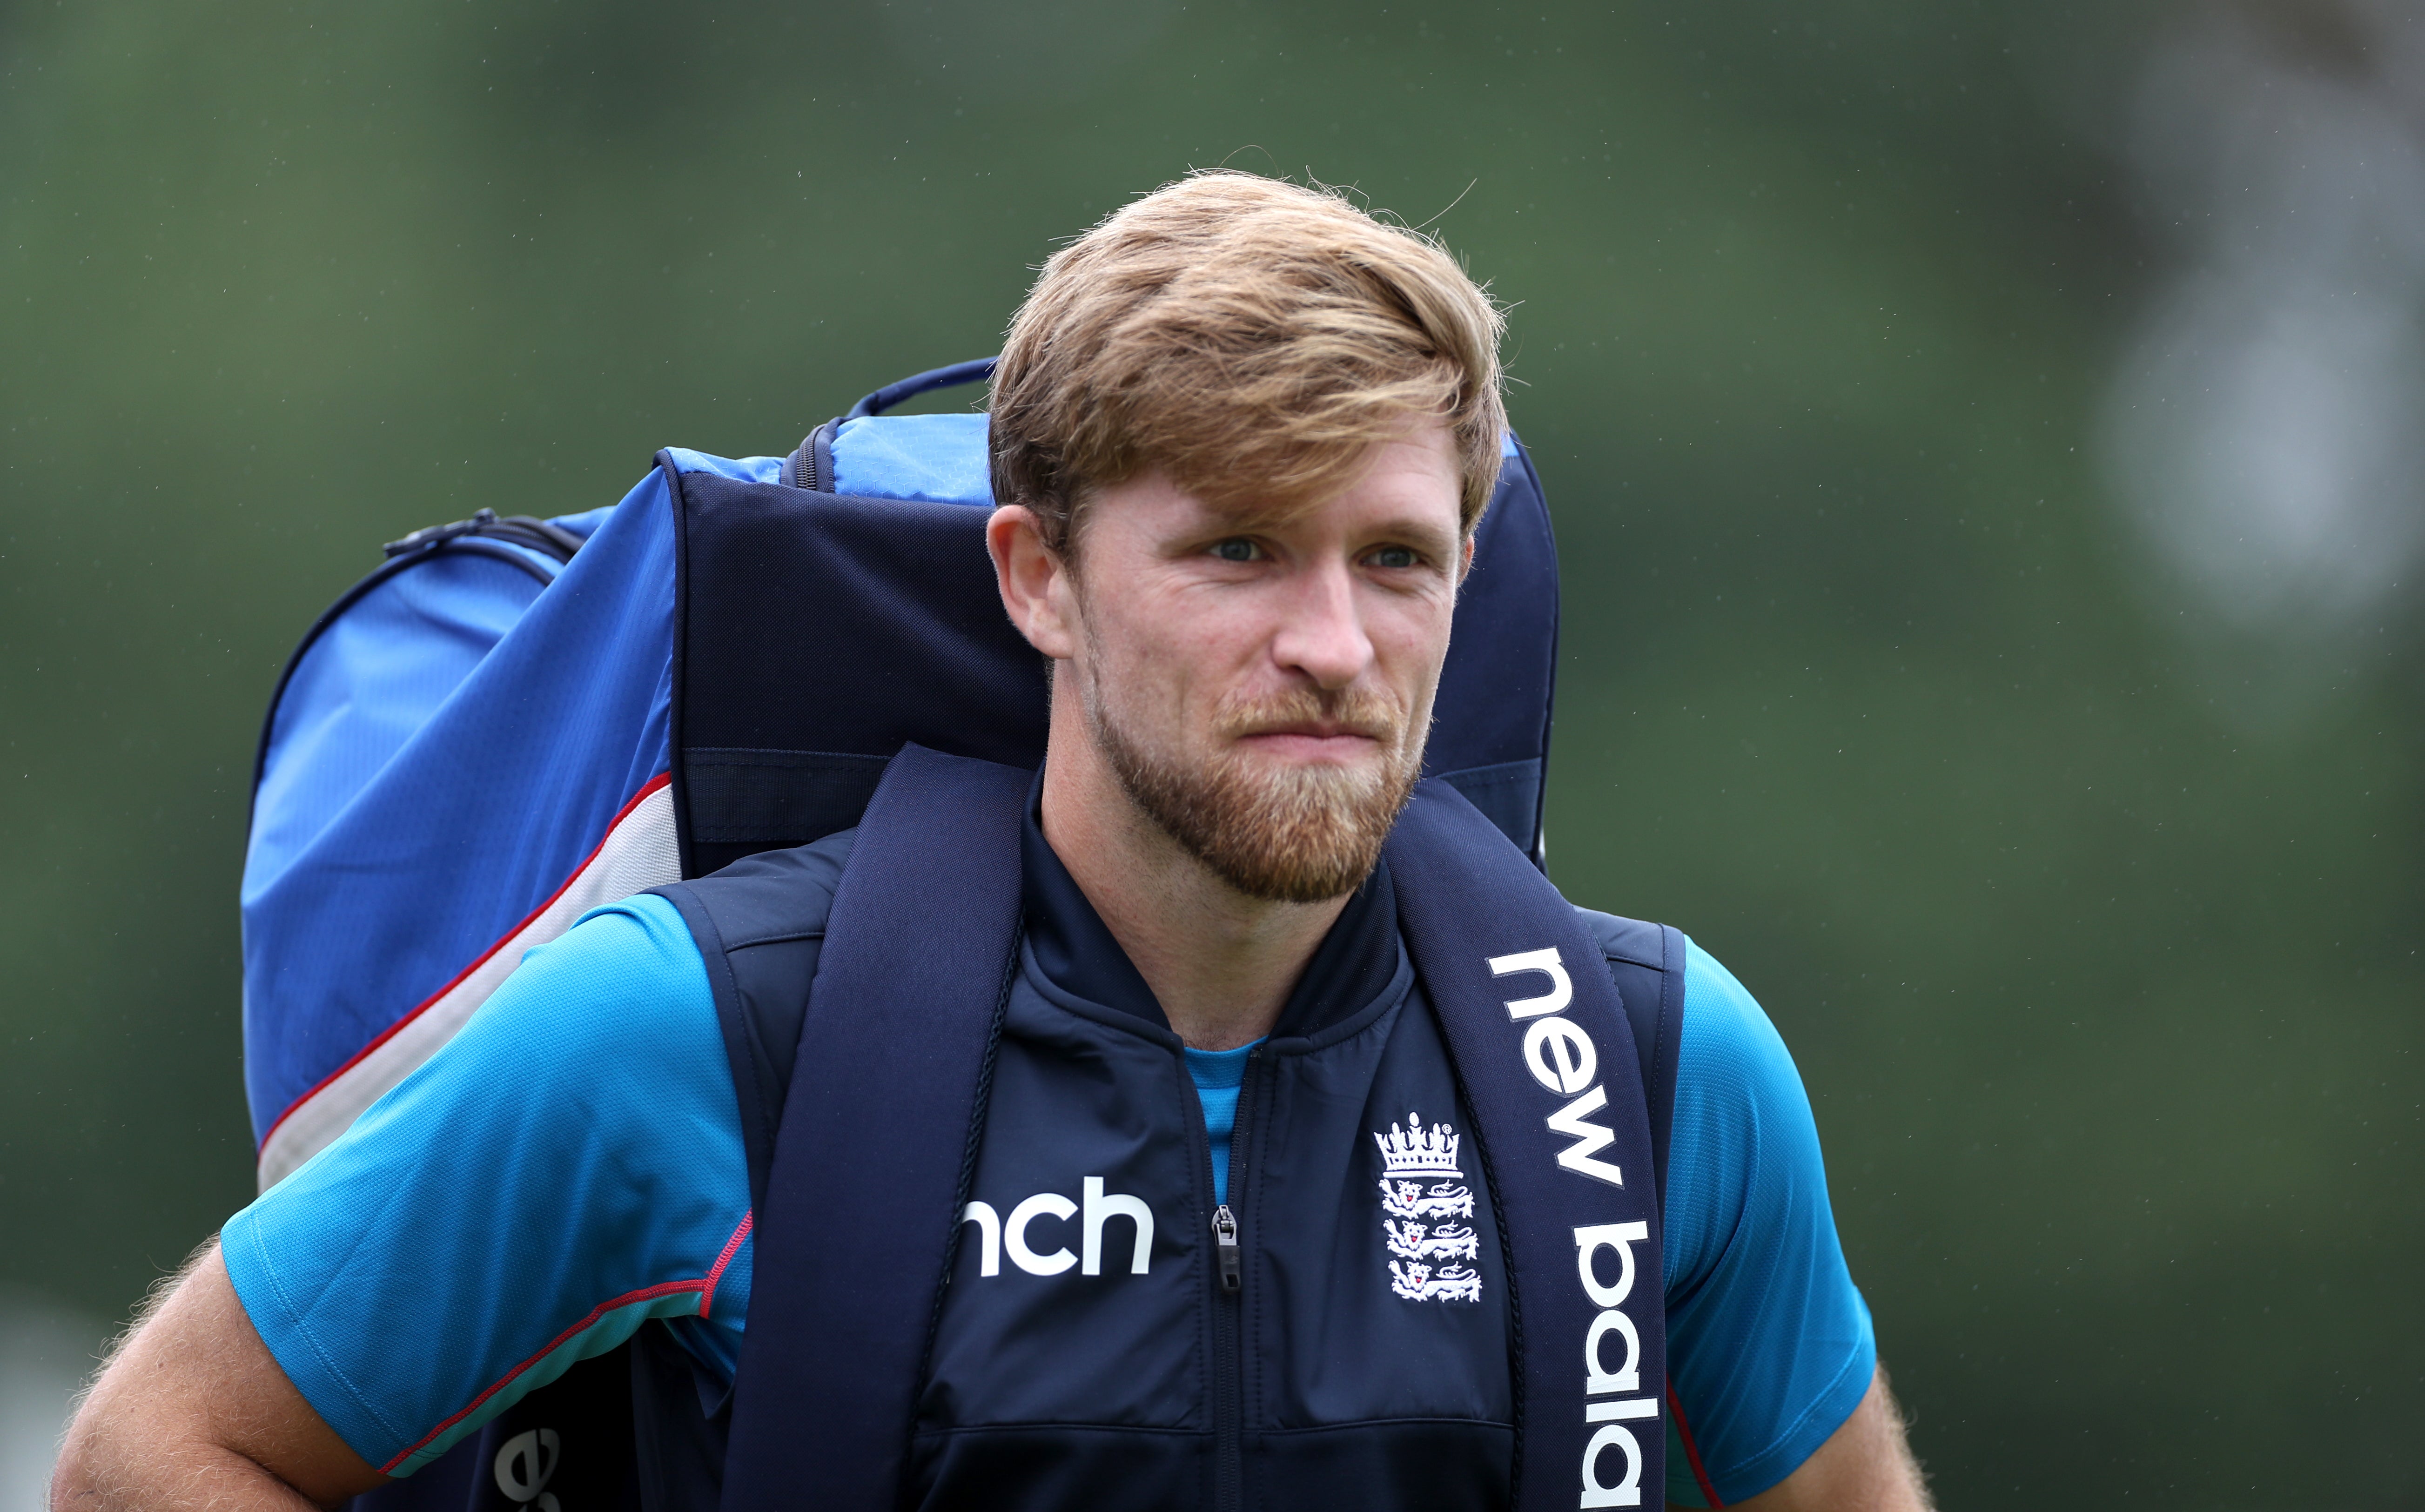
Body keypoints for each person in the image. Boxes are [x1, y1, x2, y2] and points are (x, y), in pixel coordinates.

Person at [54, 172, 1930, 1512]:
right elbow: (153, 1456)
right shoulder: (695, 1036)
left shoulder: (1651, 1071)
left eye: (1395, 561)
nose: (1333, 646)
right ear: (1039, 579)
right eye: (1234, 551)